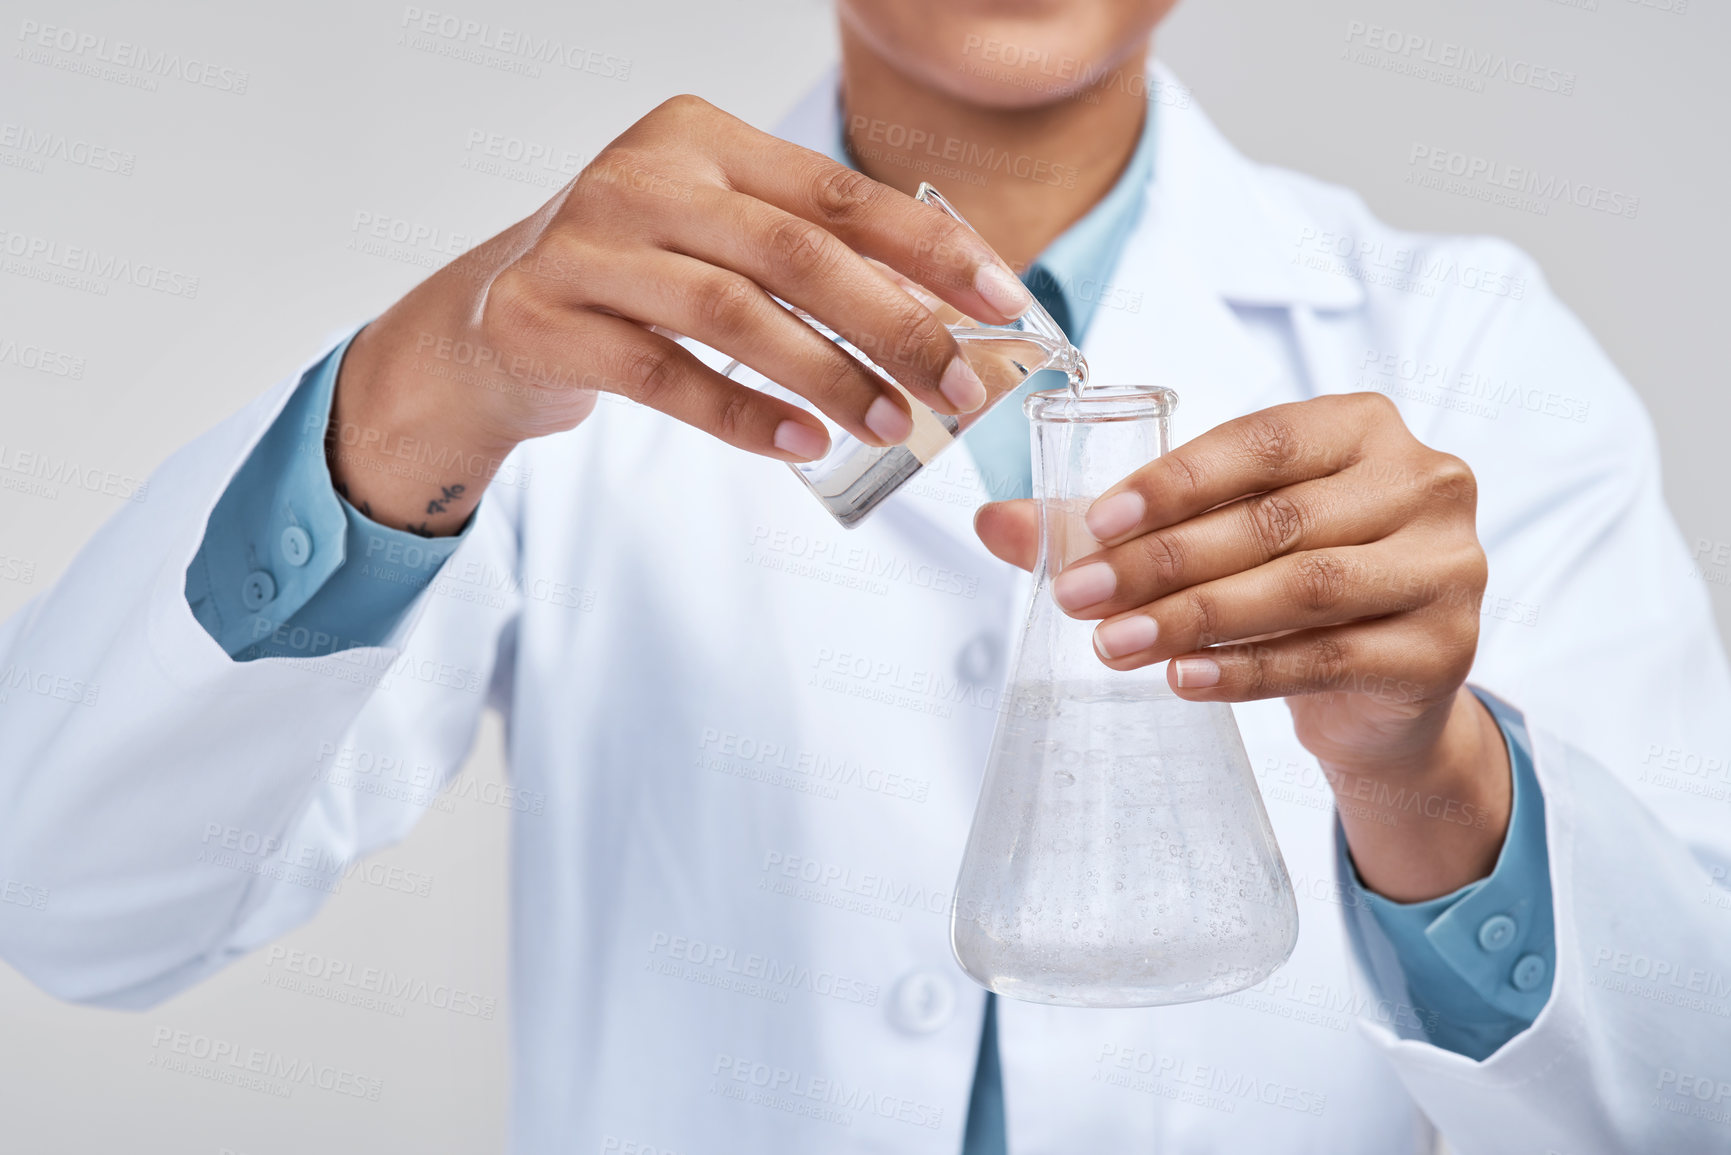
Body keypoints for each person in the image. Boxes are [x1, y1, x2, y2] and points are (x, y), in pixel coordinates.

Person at [2, 1, 1727, 1151]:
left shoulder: (1464, 341)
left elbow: (1685, 1091)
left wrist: (1433, 774)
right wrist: (411, 396)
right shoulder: (551, 332)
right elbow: (73, 906)